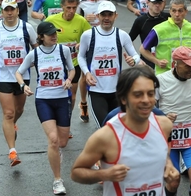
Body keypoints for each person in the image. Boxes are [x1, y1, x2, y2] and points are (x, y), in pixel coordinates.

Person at [71, 66, 179, 196]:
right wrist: (104, 174)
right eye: (138, 94)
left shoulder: (164, 125)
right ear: (123, 98)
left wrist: (168, 164)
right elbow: (76, 172)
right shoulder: (106, 136)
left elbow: (162, 150)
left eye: (150, 94)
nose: (146, 100)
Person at [16, 21, 75, 195]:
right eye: (50, 34)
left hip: (63, 99)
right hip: (43, 100)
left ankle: (56, 153)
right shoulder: (34, 54)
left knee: (62, 142)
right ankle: (58, 180)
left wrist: (69, 80)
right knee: (53, 139)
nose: (54, 36)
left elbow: (71, 70)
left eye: (55, 33)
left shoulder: (63, 50)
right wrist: (23, 86)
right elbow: (19, 72)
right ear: (41, 37)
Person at [0, 0, 38, 166]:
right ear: (1, 12)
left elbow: (36, 46)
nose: (9, 12)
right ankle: (12, 152)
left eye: (11, 9)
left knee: (18, 109)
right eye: (6, 10)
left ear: (17, 11)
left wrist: (37, 60)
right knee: (8, 113)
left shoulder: (27, 28)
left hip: (22, 75)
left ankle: (12, 125)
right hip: (3, 75)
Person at [78, 1, 141, 127]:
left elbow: (135, 55)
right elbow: (80, 56)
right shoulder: (88, 35)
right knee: (105, 127)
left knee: (119, 127)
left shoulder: (121, 35)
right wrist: (87, 73)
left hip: (117, 91)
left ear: (115, 16)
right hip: (96, 90)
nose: (106, 18)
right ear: (97, 16)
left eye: (110, 14)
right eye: (103, 15)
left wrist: (133, 60)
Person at [156, 46, 191, 196]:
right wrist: (162, 117)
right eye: (187, 65)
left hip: (190, 135)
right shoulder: (160, 81)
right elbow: (150, 108)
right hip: (168, 138)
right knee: (173, 181)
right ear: (175, 63)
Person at [45, 0, 91, 137]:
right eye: (68, 8)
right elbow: (42, 37)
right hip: (56, 65)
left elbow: (90, 37)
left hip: (74, 63)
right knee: (57, 96)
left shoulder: (81, 21)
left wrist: (81, 43)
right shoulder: (52, 20)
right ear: (62, 6)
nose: (71, 11)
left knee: (71, 97)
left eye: (74, 8)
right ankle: (57, 122)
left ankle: (65, 125)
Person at [140, 0, 191, 75]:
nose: (177, 14)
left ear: (186, 12)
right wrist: (157, 61)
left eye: (180, 11)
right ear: (170, 11)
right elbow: (142, 49)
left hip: (184, 74)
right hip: (165, 74)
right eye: (174, 11)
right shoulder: (159, 29)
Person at [129, 0, 169, 68]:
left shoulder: (168, 18)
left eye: (159, 3)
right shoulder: (141, 21)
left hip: (165, 62)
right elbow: (128, 41)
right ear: (148, 2)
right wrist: (137, 58)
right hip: (147, 63)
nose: (157, 5)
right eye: (154, 2)